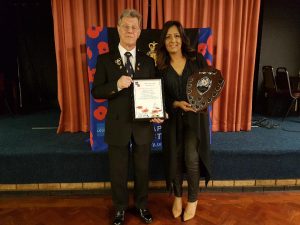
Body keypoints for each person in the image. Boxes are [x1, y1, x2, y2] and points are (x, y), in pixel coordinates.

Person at [91, 9, 162, 225]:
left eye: (134, 27)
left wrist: (157, 112)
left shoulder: (148, 62)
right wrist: (116, 85)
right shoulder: (105, 60)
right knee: (118, 171)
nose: (130, 30)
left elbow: (154, 92)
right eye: (126, 26)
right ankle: (120, 209)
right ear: (119, 29)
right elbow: (96, 92)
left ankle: (141, 206)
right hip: (117, 125)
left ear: (139, 32)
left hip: (142, 126)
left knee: (142, 170)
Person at [156, 21, 211, 221]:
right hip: (173, 120)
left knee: (191, 158)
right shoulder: (160, 66)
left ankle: (193, 200)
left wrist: (197, 102)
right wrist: (176, 103)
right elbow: (161, 97)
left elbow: (209, 86)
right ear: (163, 41)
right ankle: (178, 197)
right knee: (175, 159)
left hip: (194, 120)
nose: (173, 40)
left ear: (182, 38)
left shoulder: (196, 59)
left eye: (177, 36)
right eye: (169, 37)